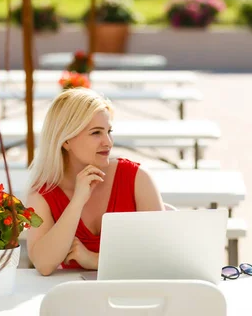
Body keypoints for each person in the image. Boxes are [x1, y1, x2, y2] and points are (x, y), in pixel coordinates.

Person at [25, 88, 165, 276]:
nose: (108, 142)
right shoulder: (43, 194)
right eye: (96, 133)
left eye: (109, 131)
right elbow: (43, 264)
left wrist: (94, 260)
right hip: (79, 300)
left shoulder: (137, 178)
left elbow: (162, 256)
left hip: (138, 296)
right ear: (66, 140)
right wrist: (77, 202)